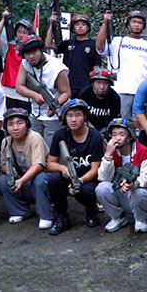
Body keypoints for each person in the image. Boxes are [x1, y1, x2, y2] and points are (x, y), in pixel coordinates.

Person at [45, 99, 105, 235]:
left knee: (86, 191)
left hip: (88, 179)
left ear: (85, 117)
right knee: (54, 179)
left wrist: (80, 181)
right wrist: (62, 168)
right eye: (69, 115)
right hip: (68, 175)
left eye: (78, 115)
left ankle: (92, 211)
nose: (73, 119)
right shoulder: (60, 134)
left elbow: (95, 169)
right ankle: (62, 217)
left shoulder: (95, 136)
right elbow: (50, 163)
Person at [96, 9, 147, 122]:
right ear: (128, 24)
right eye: (134, 22)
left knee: (139, 126)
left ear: (143, 26)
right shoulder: (116, 41)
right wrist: (105, 22)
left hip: (141, 93)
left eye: (140, 22)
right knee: (119, 124)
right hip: (119, 90)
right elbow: (99, 46)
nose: (137, 25)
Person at [95, 118, 147, 233]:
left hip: (135, 193)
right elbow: (103, 178)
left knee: (141, 193)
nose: (117, 138)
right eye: (114, 135)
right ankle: (117, 217)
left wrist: (134, 184)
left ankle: (140, 219)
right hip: (118, 192)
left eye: (121, 134)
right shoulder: (110, 151)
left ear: (130, 136)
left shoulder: (142, 150)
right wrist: (108, 155)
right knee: (101, 188)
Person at [0, 108, 52, 228]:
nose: (15, 128)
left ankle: (45, 215)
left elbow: (39, 165)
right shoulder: (6, 141)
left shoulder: (35, 137)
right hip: (21, 178)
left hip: (39, 177)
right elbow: (2, 165)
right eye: (11, 124)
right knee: (3, 180)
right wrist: (9, 170)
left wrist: (21, 180)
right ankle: (19, 211)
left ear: (26, 124)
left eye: (19, 123)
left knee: (40, 179)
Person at [15, 35, 70, 146]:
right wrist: (34, 95)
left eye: (34, 51)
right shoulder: (25, 64)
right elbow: (19, 87)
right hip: (35, 113)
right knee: (33, 145)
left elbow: (66, 92)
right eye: (27, 53)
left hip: (53, 116)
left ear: (40, 50)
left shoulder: (57, 67)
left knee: (50, 147)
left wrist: (55, 104)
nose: (31, 56)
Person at [46, 13, 101, 98]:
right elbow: (48, 44)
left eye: (83, 24)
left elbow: (96, 67)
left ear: (88, 27)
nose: (80, 27)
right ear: (73, 28)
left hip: (86, 86)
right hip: (67, 85)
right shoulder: (67, 43)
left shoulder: (93, 44)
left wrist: (95, 85)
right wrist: (51, 24)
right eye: (77, 24)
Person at [0, 14, 33, 110]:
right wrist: (3, 19)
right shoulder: (8, 46)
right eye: (19, 32)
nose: (21, 35)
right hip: (7, 91)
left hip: (25, 92)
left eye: (25, 32)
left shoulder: (32, 50)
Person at [78, 68, 121, 132]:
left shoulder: (115, 98)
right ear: (92, 84)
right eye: (98, 83)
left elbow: (115, 120)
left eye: (105, 83)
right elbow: (79, 115)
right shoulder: (84, 94)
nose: (102, 87)